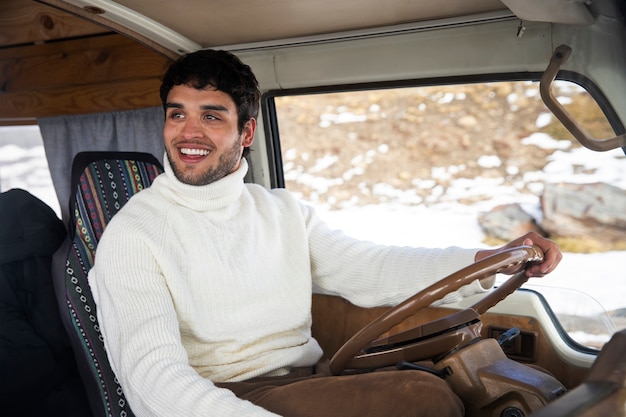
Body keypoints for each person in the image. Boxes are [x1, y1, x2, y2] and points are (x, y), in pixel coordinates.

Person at [88, 49, 562, 417]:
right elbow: (152, 378)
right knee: (423, 398)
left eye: (211, 116)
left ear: (247, 133)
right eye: (177, 114)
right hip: (225, 398)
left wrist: (484, 260)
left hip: (310, 378)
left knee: (473, 382)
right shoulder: (135, 234)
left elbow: (370, 267)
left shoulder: (280, 210)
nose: (188, 133)